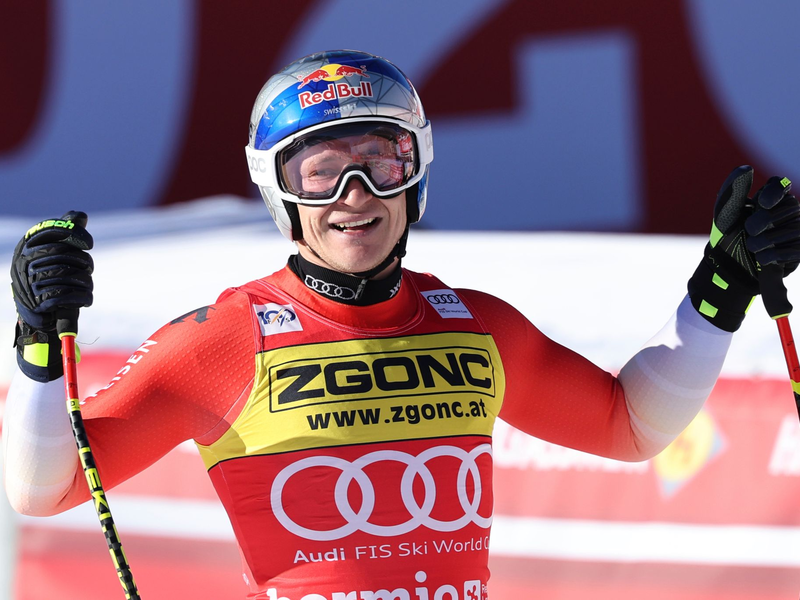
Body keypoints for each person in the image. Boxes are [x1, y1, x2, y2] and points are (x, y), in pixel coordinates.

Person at [4, 50, 800, 600]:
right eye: (320, 171)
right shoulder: (222, 340)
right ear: (279, 193)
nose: (354, 194)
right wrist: (39, 346)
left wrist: (720, 291)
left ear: (415, 175)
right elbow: (44, 491)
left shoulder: (476, 326)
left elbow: (631, 427)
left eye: (381, 162)